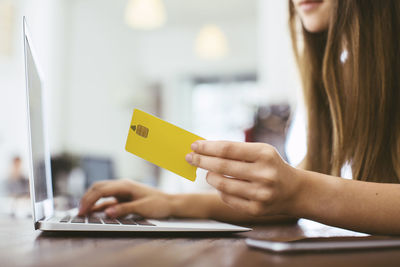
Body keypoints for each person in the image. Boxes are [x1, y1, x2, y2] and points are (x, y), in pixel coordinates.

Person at [79, 0, 400, 235]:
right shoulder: (338, 74)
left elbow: (304, 192)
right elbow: (291, 195)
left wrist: (300, 190)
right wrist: (172, 203)